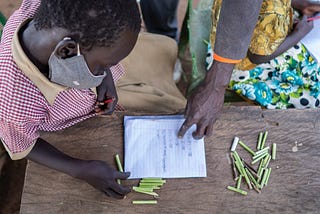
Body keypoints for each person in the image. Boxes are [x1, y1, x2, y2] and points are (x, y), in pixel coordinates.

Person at [0, 0, 140, 198]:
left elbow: (91, 53)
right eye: (104, 66)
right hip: (64, 132)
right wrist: (79, 169)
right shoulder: (13, 101)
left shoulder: (54, 16)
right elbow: (23, 142)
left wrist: (104, 79)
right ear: (66, 51)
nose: (104, 72)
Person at [178, 0, 320, 139]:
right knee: (314, 93)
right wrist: (216, 85)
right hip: (241, 57)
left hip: (239, 33)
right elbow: (257, 56)